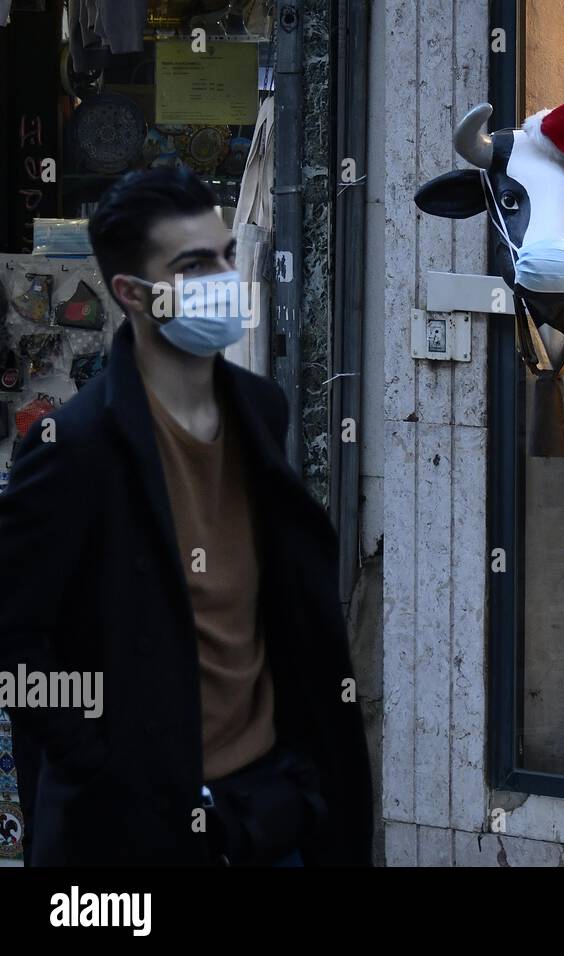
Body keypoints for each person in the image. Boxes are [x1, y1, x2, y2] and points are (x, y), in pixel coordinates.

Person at [0, 167, 372, 866]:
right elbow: (16, 641)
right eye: (195, 265)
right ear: (133, 296)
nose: (225, 277)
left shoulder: (261, 412)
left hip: (269, 815)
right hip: (136, 836)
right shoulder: (74, 448)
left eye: (227, 255)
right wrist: (107, 764)